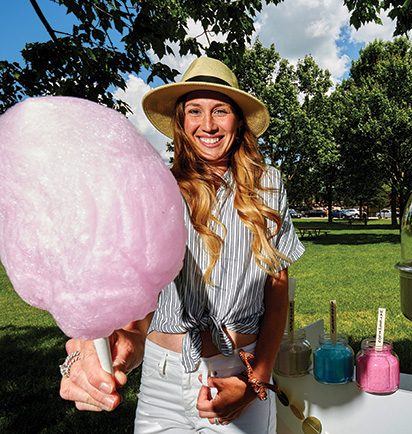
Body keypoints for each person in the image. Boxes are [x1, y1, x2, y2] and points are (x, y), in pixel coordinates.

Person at [59, 57, 305, 433]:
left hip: (238, 371)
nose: (207, 125)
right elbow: (146, 291)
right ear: (181, 121)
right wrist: (126, 337)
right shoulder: (157, 186)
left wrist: (257, 379)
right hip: (162, 382)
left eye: (220, 111)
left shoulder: (268, 185)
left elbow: (277, 289)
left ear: (237, 121)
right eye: (195, 111)